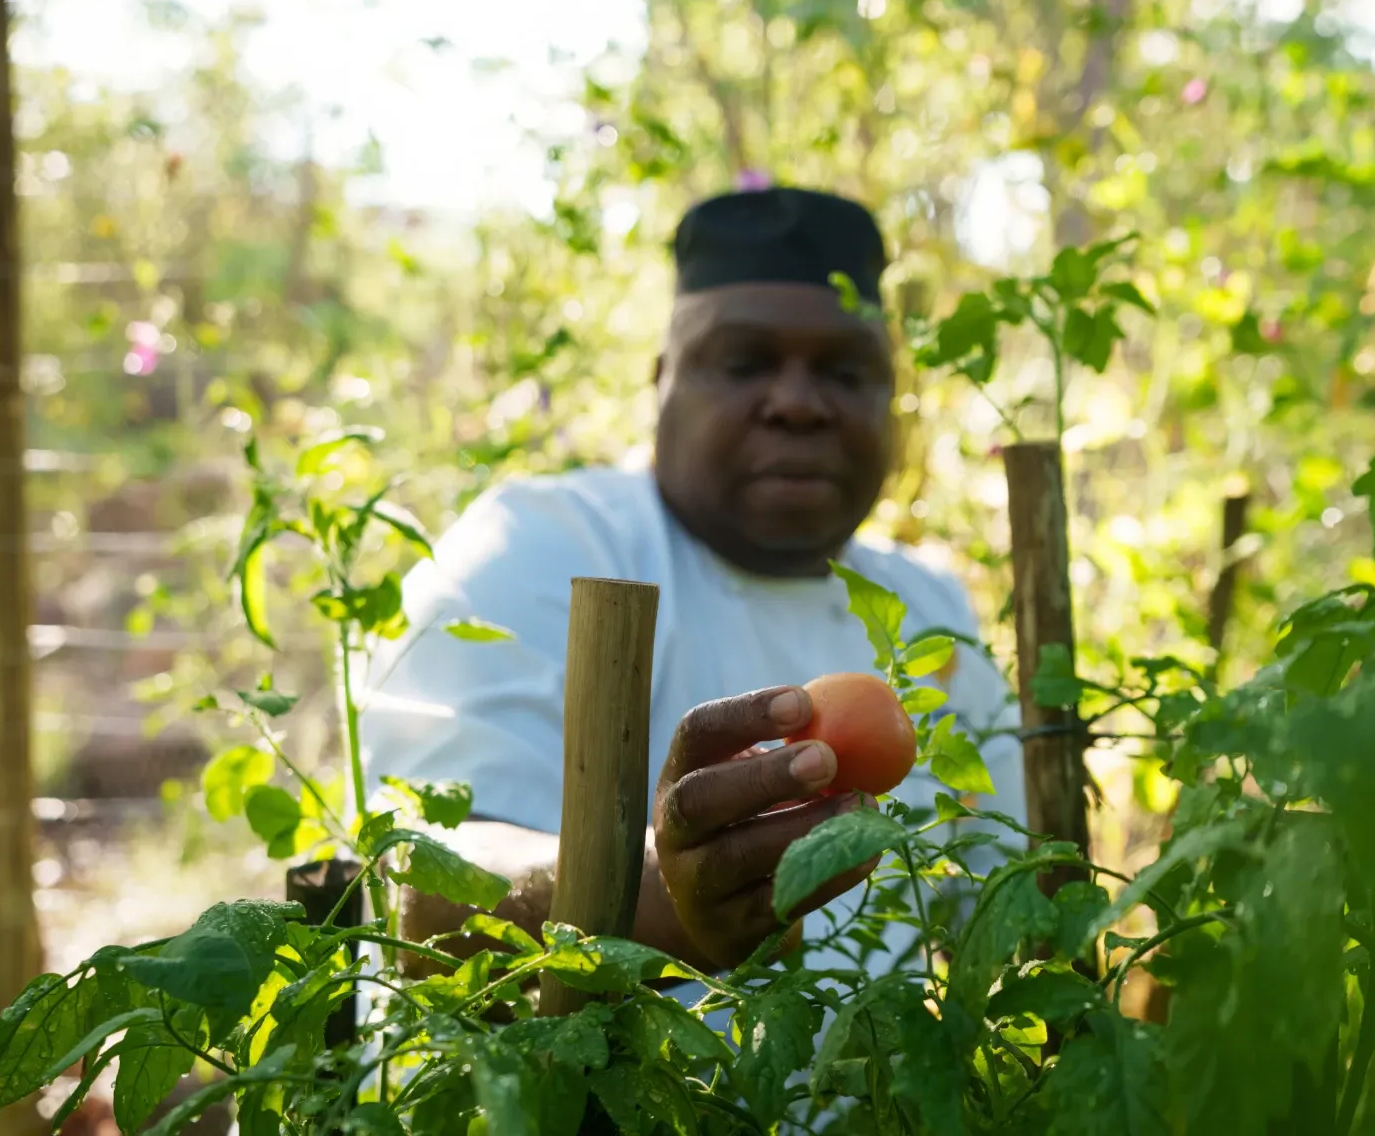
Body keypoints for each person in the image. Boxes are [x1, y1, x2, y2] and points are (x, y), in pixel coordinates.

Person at [357, 186, 1027, 989]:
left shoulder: (930, 606)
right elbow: (425, 877)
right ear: (663, 379)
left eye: (846, 371)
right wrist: (654, 897)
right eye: (745, 363)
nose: (797, 404)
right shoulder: (542, 545)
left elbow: (1008, 906)